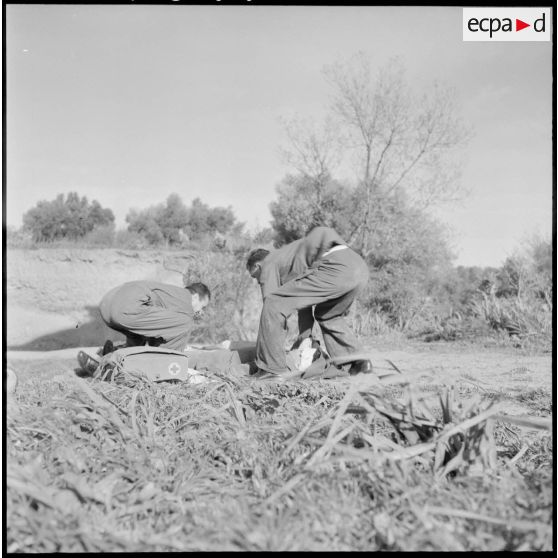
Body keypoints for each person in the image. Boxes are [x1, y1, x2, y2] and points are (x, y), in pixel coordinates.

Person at [246, 226, 372, 378]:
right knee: (327, 315)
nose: (259, 281)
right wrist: (304, 339)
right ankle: (357, 363)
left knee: (273, 304)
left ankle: (270, 370)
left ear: (257, 266)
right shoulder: (290, 259)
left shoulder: (269, 263)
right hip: (358, 267)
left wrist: (267, 354)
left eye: (255, 276)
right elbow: (302, 304)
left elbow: (271, 306)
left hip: (335, 268)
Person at [98, 280, 211, 353]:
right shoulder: (185, 298)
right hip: (126, 309)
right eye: (202, 307)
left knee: (139, 338)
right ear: (195, 297)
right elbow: (165, 336)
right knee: (186, 322)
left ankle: (115, 355)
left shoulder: (171, 293)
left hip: (107, 305)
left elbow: (157, 330)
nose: (200, 312)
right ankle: (164, 364)